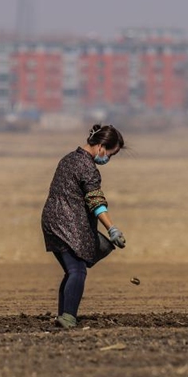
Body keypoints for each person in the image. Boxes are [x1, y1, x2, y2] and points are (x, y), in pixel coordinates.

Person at [41, 124, 127, 328]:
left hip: (50, 221)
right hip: (68, 223)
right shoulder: (88, 167)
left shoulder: (68, 158)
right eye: (110, 154)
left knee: (72, 270)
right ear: (101, 147)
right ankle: (68, 317)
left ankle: (64, 315)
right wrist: (111, 229)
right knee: (78, 271)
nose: (108, 159)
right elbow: (95, 200)